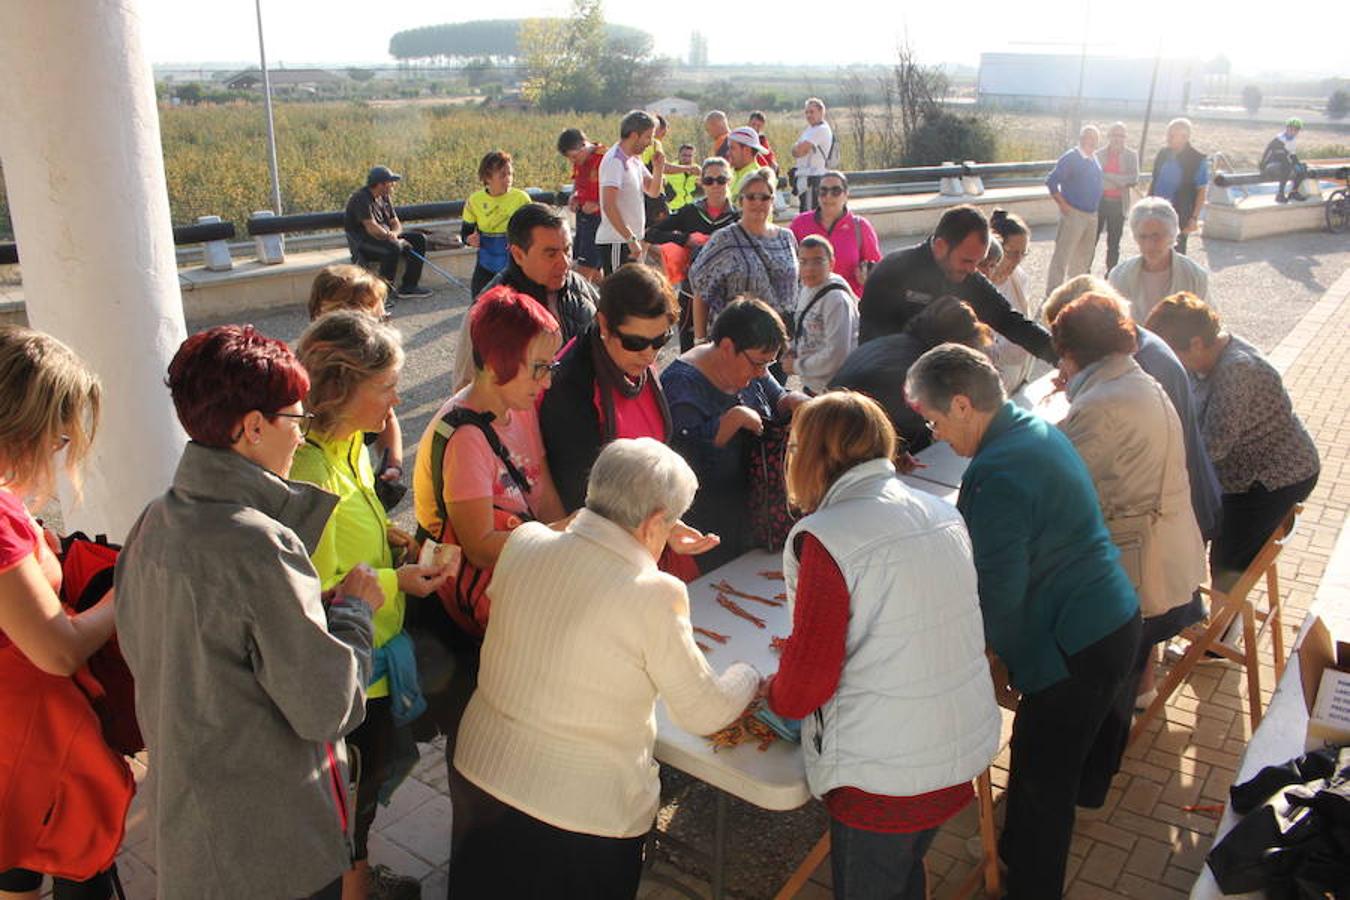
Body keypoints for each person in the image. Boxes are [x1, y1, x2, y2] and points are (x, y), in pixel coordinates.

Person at [117, 325, 382, 899]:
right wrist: (356, 614)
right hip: (270, 848)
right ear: (253, 426)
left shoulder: (155, 519)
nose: (299, 436)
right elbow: (326, 707)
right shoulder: (259, 546)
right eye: (295, 420)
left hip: (193, 828)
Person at [449, 438, 759, 900]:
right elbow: (704, 713)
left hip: (482, 775)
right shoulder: (655, 593)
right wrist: (747, 674)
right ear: (656, 521)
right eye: (670, 521)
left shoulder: (524, 542)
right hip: (577, 812)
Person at [905, 343, 1140, 900]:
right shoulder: (1029, 430)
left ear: (963, 405)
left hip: (1076, 640)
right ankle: (1020, 852)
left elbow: (995, 591)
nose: (936, 434)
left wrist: (971, 659)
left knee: (1040, 784)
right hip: (1107, 619)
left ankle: (1031, 886)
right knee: (1060, 765)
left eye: (935, 421)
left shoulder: (998, 471)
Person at [768, 392, 1001, 900]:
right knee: (904, 871)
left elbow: (804, 687)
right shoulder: (939, 510)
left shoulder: (829, 536)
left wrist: (773, 694)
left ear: (810, 457)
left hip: (886, 779)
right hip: (957, 749)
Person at [291, 312, 453, 900]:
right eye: (385, 387)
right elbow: (317, 586)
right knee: (349, 809)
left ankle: (360, 878)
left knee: (364, 797)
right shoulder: (308, 470)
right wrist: (399, 578)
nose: (397, 399)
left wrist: (392, 538)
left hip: (376, 657)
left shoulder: (349, 447)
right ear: (339, 389)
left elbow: (360, 528)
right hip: (349, 667)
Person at [413, 286, 570, 853]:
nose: (546, 381)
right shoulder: (462, 433)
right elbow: (478, 545)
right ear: (499, 361)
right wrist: (558, 535)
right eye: (537, 368)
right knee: (481, 751)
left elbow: (541, 486)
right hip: (470, 616)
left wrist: (562, 541)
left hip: (513, 594)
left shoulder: (516, 408)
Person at [0, 327, 130, 900]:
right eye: (57, 437)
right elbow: (58, 650)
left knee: (16, 874)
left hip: (14, 750)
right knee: (83, 870)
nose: (59, 452)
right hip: (33, 747)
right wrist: (123, 593)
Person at [1051, 294, 1206, 712]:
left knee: (1099, 694)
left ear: (1072, 352)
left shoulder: (1103, 403)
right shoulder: (1135, 380)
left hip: (1139, 571)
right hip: (1168, 558)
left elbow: (1061, 489)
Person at [1145, 294, 1320, 593]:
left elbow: (1213, 446)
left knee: (1227, 563)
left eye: (1173, 353)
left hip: (1275, 478)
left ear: (1197, 343)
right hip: (1244, 475)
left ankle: (1221, 633)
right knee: (1195, 531)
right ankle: (1204, 618)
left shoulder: (1237, 370)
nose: (1171, 363)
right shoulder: (1208, 357)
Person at [1044, 276, 1222, 542]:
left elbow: (1068, 480)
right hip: (1175, 519)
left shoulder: (1124, 384)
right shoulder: (1131, 356)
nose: (1061, 362)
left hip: (1161, 534)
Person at [662, 298, 807, 570]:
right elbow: (681, 464)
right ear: (727, 347)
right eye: (758, 364)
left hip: (758, 522)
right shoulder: (681, 385)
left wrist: (791, 401)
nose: (762, 372)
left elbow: (776, 398)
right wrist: (729, 422)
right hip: (709, 533)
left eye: (768, 364)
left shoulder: (754, 363)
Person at [539, 263, 680, 512]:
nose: (649, 354)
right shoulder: (570, 388)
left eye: (661, 339)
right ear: (604, 324)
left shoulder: (631, 362)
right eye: (635, 341)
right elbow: (580, 496)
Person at [858, 204, 1055, 364]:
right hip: (883, 375)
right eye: (967, 261)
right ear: (940, 246)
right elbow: (872, 342)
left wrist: (1061, 357)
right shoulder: (892, 271)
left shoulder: (966, 276)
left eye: (979, 263)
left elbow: (1008, 319)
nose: (972, 270)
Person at [451, 203, 597, 392]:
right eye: (551, 254)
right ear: (518, 255)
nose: (564, 263)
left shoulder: (580, 287)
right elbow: (466, 389)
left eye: (567, 250)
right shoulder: (488, 312)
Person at [830, 296, 993, 453]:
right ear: (954, 344)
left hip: (828, 431)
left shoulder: (894, 344)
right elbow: (915, 439)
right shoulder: (920, 373)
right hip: (844, 446)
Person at [307, 264, 406, 508]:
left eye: (384, 319)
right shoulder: (310, 465)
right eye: (378, 319)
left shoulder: (354, 442)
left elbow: (388, 417)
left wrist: (392, 464)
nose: (382, 327)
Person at [688, 167, 799, 342]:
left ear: (772, 201)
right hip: (737, 341)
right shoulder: (724, 240)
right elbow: (701, 289)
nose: (758, 202)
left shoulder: (787, 238)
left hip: (780, 340)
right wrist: (699, 340)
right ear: (740, 201)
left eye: (764, 197)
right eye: (751, 197)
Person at [647, 157, 741, 350]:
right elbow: (652, 233)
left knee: (727, 355)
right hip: (691, 294)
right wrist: (684, 239)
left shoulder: (738, 217)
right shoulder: (690, 212)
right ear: (701, 183)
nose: (715, 185)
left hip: (728, 296)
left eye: (721, 180)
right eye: (709, 180)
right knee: (689, 355)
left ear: (729, 181)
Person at [1108, 197, 1211, 324]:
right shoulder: (1119, 276)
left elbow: (1209, 326)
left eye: (1157, 236)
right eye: (1143, 236)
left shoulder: (1195, 276)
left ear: (1172, 235)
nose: (1150, 245)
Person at [343, 165, 433, 300]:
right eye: (391, 182)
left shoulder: (384, 197)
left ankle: (409, 286)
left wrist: (395, 234)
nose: (393, 185)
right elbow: (371, 227)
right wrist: (391, 238)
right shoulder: (360, 198)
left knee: (419, 239)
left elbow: (395, 221)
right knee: (393, 247)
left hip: (386, 237)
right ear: (380, 184)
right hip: (364, 242)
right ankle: (385, 291)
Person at [784, 235, 858, 394]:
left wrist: (797, 366)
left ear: (831, 264)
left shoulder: (836, 299)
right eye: (803, 262)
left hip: (834, 390)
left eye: (818, 261)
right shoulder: (806, 289)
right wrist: (793, 348)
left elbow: (837, 354)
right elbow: (806, 330)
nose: (809, 268)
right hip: (814, 387)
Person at [789, 171, 882, 296]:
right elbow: (789, 265)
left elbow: (878, 273)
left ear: (846, 195)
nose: (828, 196)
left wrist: (866, 279)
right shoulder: (800, 224)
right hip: (809, 304)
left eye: (835, 191)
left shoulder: (861, 227)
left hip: (849, 305)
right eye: (823, 191)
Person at [597, 110, 665, 275]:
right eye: (648, 137)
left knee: (633, 296)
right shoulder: (615, 161)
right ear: (634, 135)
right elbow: (608, 205)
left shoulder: (634, 159)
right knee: (618, 297)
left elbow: (653, 191)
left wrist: (658, 169)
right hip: (618, 242)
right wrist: (630, 239)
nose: (650, 143)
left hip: (631, 242)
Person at [462, 150, 533, 297]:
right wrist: (469, 239)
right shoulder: (474, 201)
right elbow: (465, 233)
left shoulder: (521, 198)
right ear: (487, 177)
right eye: (502, 175)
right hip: (486, 264)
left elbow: (532, 230)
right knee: (479, 305)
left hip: (515, 264)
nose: (508, 179)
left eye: (510, 174)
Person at [1045, 125, 1104, 294]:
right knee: (1062, 256)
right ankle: (1053, 292)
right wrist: (1063, 204)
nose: (1092, 142)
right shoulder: (1071, 158)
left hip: (1092, 214)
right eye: (1089, 137)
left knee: (1083, 258)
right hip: (1074, 213)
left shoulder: (1094, 159)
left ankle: (1075, 293)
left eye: (1095, 139)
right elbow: (1051, 181)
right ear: (1082, 138)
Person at [985, 209, 1036, 392]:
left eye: (1023, 253)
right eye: (1012, 253)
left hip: (1017, 377)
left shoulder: (1019, 278)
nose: (1017, 261)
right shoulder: (978, 284)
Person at [1148, 118, 1209, 255]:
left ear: (1185, 137)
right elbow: (1154, 180)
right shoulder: (1162, 154)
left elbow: (1201, 191)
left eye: (1172, 134)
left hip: (1180, 215)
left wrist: (1194, 218)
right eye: (1168, 133)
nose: (1168, 137)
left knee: (1175, 255)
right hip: (1156, 212)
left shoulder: (1197, 159)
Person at [557, 127, 607, 282]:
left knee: (583, 270)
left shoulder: (605, 158)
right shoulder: (580, 160)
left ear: (583, 145)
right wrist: (573, 196)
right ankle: (613, 300)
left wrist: (598, 204)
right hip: (584, 216)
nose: (573, 161)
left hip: (601, 219)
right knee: (594, 271)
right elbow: (577, 182)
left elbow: (621, 189)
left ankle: (578, 302)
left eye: (574, 156)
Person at [1095, 122, 1139, 273]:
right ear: (1109, 136)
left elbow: (1134, 178)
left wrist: (1108, 176)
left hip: (1119, 204)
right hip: (1099, 203)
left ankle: (1111, 274)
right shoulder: (1099, 155)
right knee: (1091, 241)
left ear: (1125, 138)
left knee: (1113, 243)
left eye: (1121, 135)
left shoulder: (1131, 156)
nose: (1117, 138)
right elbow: (1096, 179)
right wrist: (1120, 180)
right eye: (1115, 135)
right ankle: (1085, 272)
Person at [792, 97, 834, 212]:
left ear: (821, 112)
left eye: (812, 112)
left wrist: (797, 148)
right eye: (806, 112)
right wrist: (797, 149)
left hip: (813, 179)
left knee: (810, 215)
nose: (809, 115)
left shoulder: (821, 129)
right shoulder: (810, 129)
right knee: (804, 213)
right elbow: (796, 151)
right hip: (805, 178)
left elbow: (800, 150)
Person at [1260, 118, 1309, 204]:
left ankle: (1293, 192)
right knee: (1287, 166)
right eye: (1291, 129)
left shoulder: (1292, 140)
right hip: (1269, 166)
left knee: (1303, 167)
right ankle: (1280, 194)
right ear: (1287, 128)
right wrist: (1262, 166)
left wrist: (1299, 165)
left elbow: (1293, 156)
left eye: (1296, 130)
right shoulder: (1279, 139)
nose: (1293, 131)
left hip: (1280, 164)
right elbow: (1280, 157)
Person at [725, 126, 770, 198]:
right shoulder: (730, 174)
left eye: (732, 148)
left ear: (746, 150)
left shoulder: (757, 180)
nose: (728, 153)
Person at [664, 143, 700, 211]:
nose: (687, 158)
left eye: (690, 156)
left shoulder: (696, 170)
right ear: (679, 155)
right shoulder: (671, 168)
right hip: (673, 208)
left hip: (690, 208)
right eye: (684, 155)